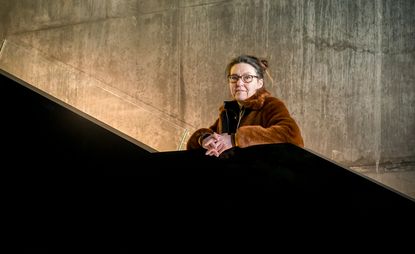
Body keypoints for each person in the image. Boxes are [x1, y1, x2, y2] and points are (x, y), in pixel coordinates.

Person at [186, 54, 304, 157]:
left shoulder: (270, 105)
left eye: (247, 78)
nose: (239, 83)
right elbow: (211, 135)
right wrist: (205, 138)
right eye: (234, 78)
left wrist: (235, 139)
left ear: (259, 83)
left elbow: (291, 135)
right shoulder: (228, 112)